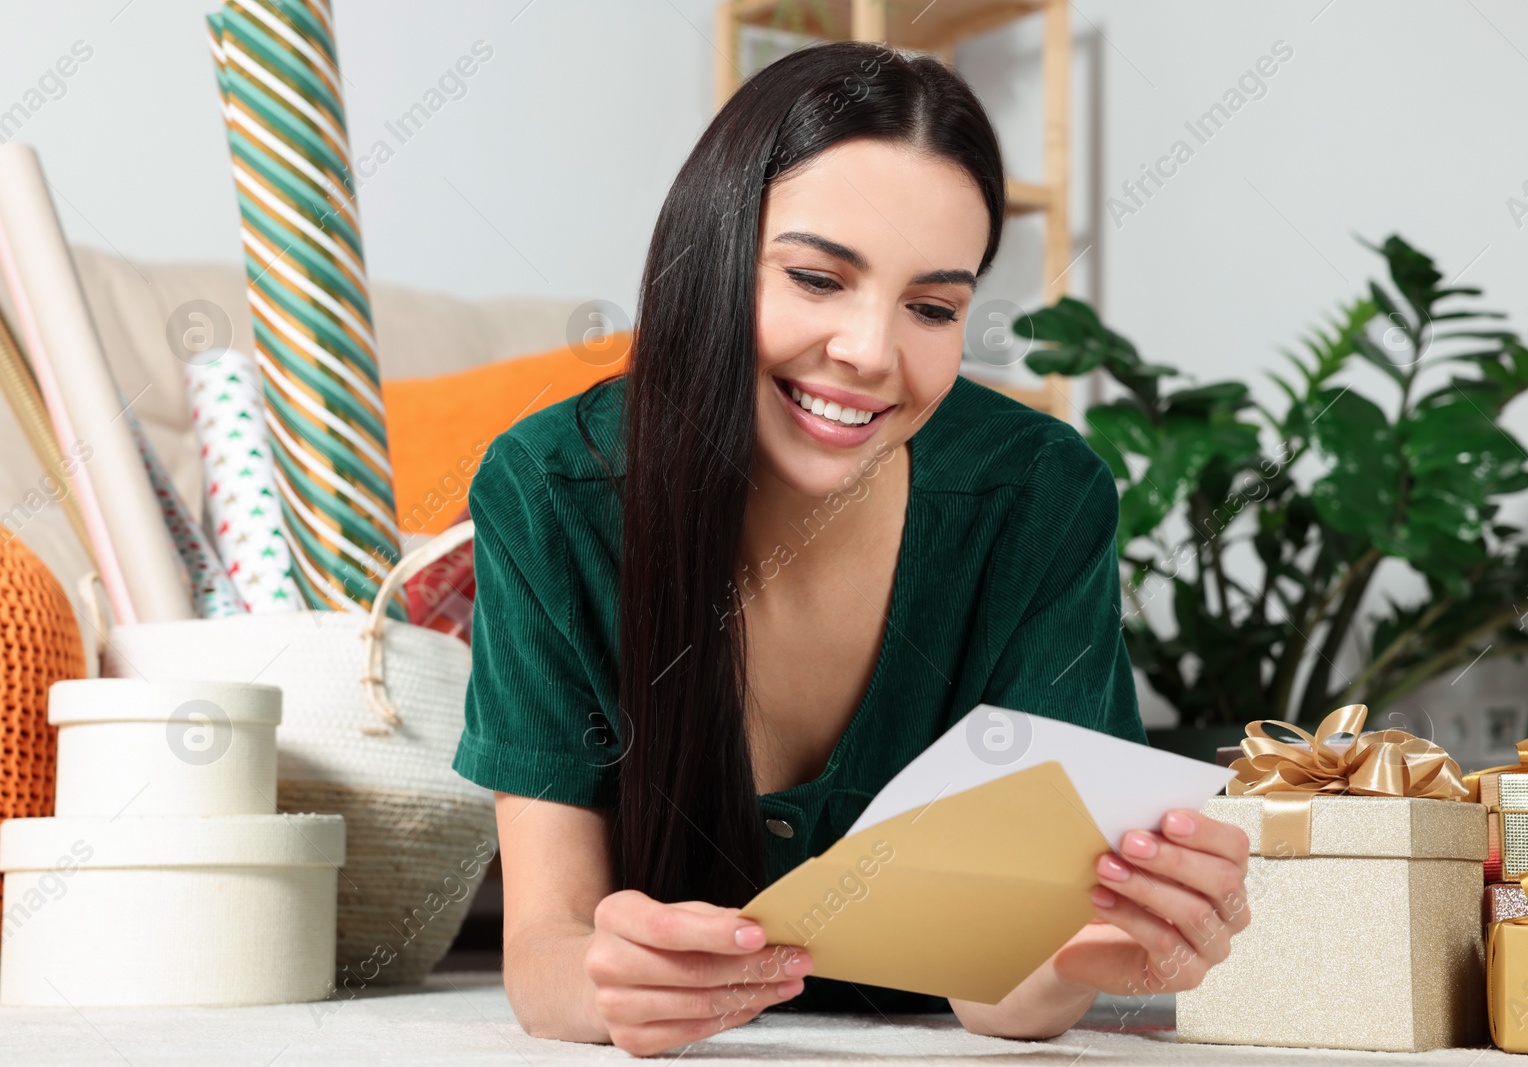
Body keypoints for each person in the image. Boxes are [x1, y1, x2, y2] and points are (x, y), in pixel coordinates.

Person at [453, 40, 1250, 1058]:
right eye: (818, 278)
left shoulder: (1040, 497)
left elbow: (1010, 990)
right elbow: (547, 952)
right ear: (709, 255)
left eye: (931, 307)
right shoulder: (549, 491)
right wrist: (613, 984)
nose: (872, 352)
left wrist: (1105, 947)